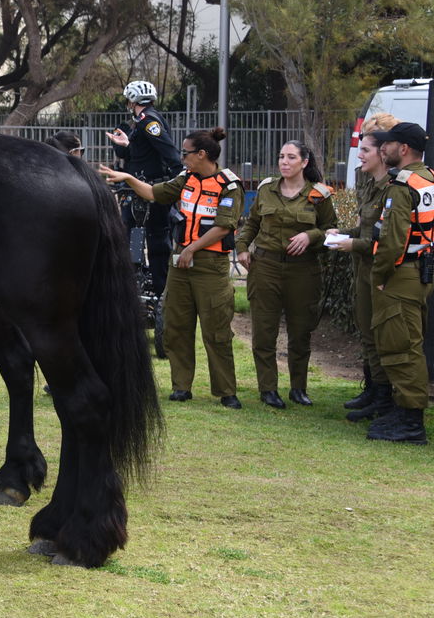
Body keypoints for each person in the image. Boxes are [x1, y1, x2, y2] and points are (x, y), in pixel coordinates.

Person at [101, 127, 243, 408]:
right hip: (181, 264)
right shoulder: (185, 178)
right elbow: (155, 193)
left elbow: (224, 226)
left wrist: (191, 248)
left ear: (202, 154)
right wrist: (129, 178)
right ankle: (181, 387)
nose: (183, 157)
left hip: (209, 265)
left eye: (186, 153)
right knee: (177, 327)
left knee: (216, 331)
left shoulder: (229, 185)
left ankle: (226, 391)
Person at [235, 141, 337, 408]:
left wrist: (310, 235)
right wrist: (243, 247)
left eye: (291, 157)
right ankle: (268, 389)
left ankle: (298, 388)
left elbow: (332, 231)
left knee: (301, 331)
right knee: (264, 332)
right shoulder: (267, 189)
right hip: (266, 267)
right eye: (281, 156)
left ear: (304, 162)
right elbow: (253, 223)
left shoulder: (319, 195)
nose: (284, 161)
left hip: (303, 270)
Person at [365, 122, 434, 444]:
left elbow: (392, 240)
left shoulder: (402, 186)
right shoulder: (430, 179)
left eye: (389, 144)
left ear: (404, 149)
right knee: (408, 343)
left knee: (402, 350)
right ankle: (403, 411)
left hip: (401, 275)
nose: (384, 149)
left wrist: (379, 277)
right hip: (420, 271)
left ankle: (411, 423)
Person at [326, 113, 399, 420]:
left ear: (382, 153)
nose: (359, 155)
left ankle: (383, 401)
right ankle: (372, 391)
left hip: (381, 272)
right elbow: (366, 229)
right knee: (367, 334)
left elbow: (385, 241)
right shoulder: (370, 183)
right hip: (364, 269)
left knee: (379, 336)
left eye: (365, 150)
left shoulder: (393, 188)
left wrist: (350, 243)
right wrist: (343, 234)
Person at [106, 81, 181, 299]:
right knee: (132, 241)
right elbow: (145, 154)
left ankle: (160, 294)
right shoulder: (141, 122)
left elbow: (169, 152)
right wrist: (126, 145)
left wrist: (180, 179)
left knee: (156, 241)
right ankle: (135, 289)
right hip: (137, 189)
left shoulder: (148, 121)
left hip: (151, 191)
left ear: (131, 100)